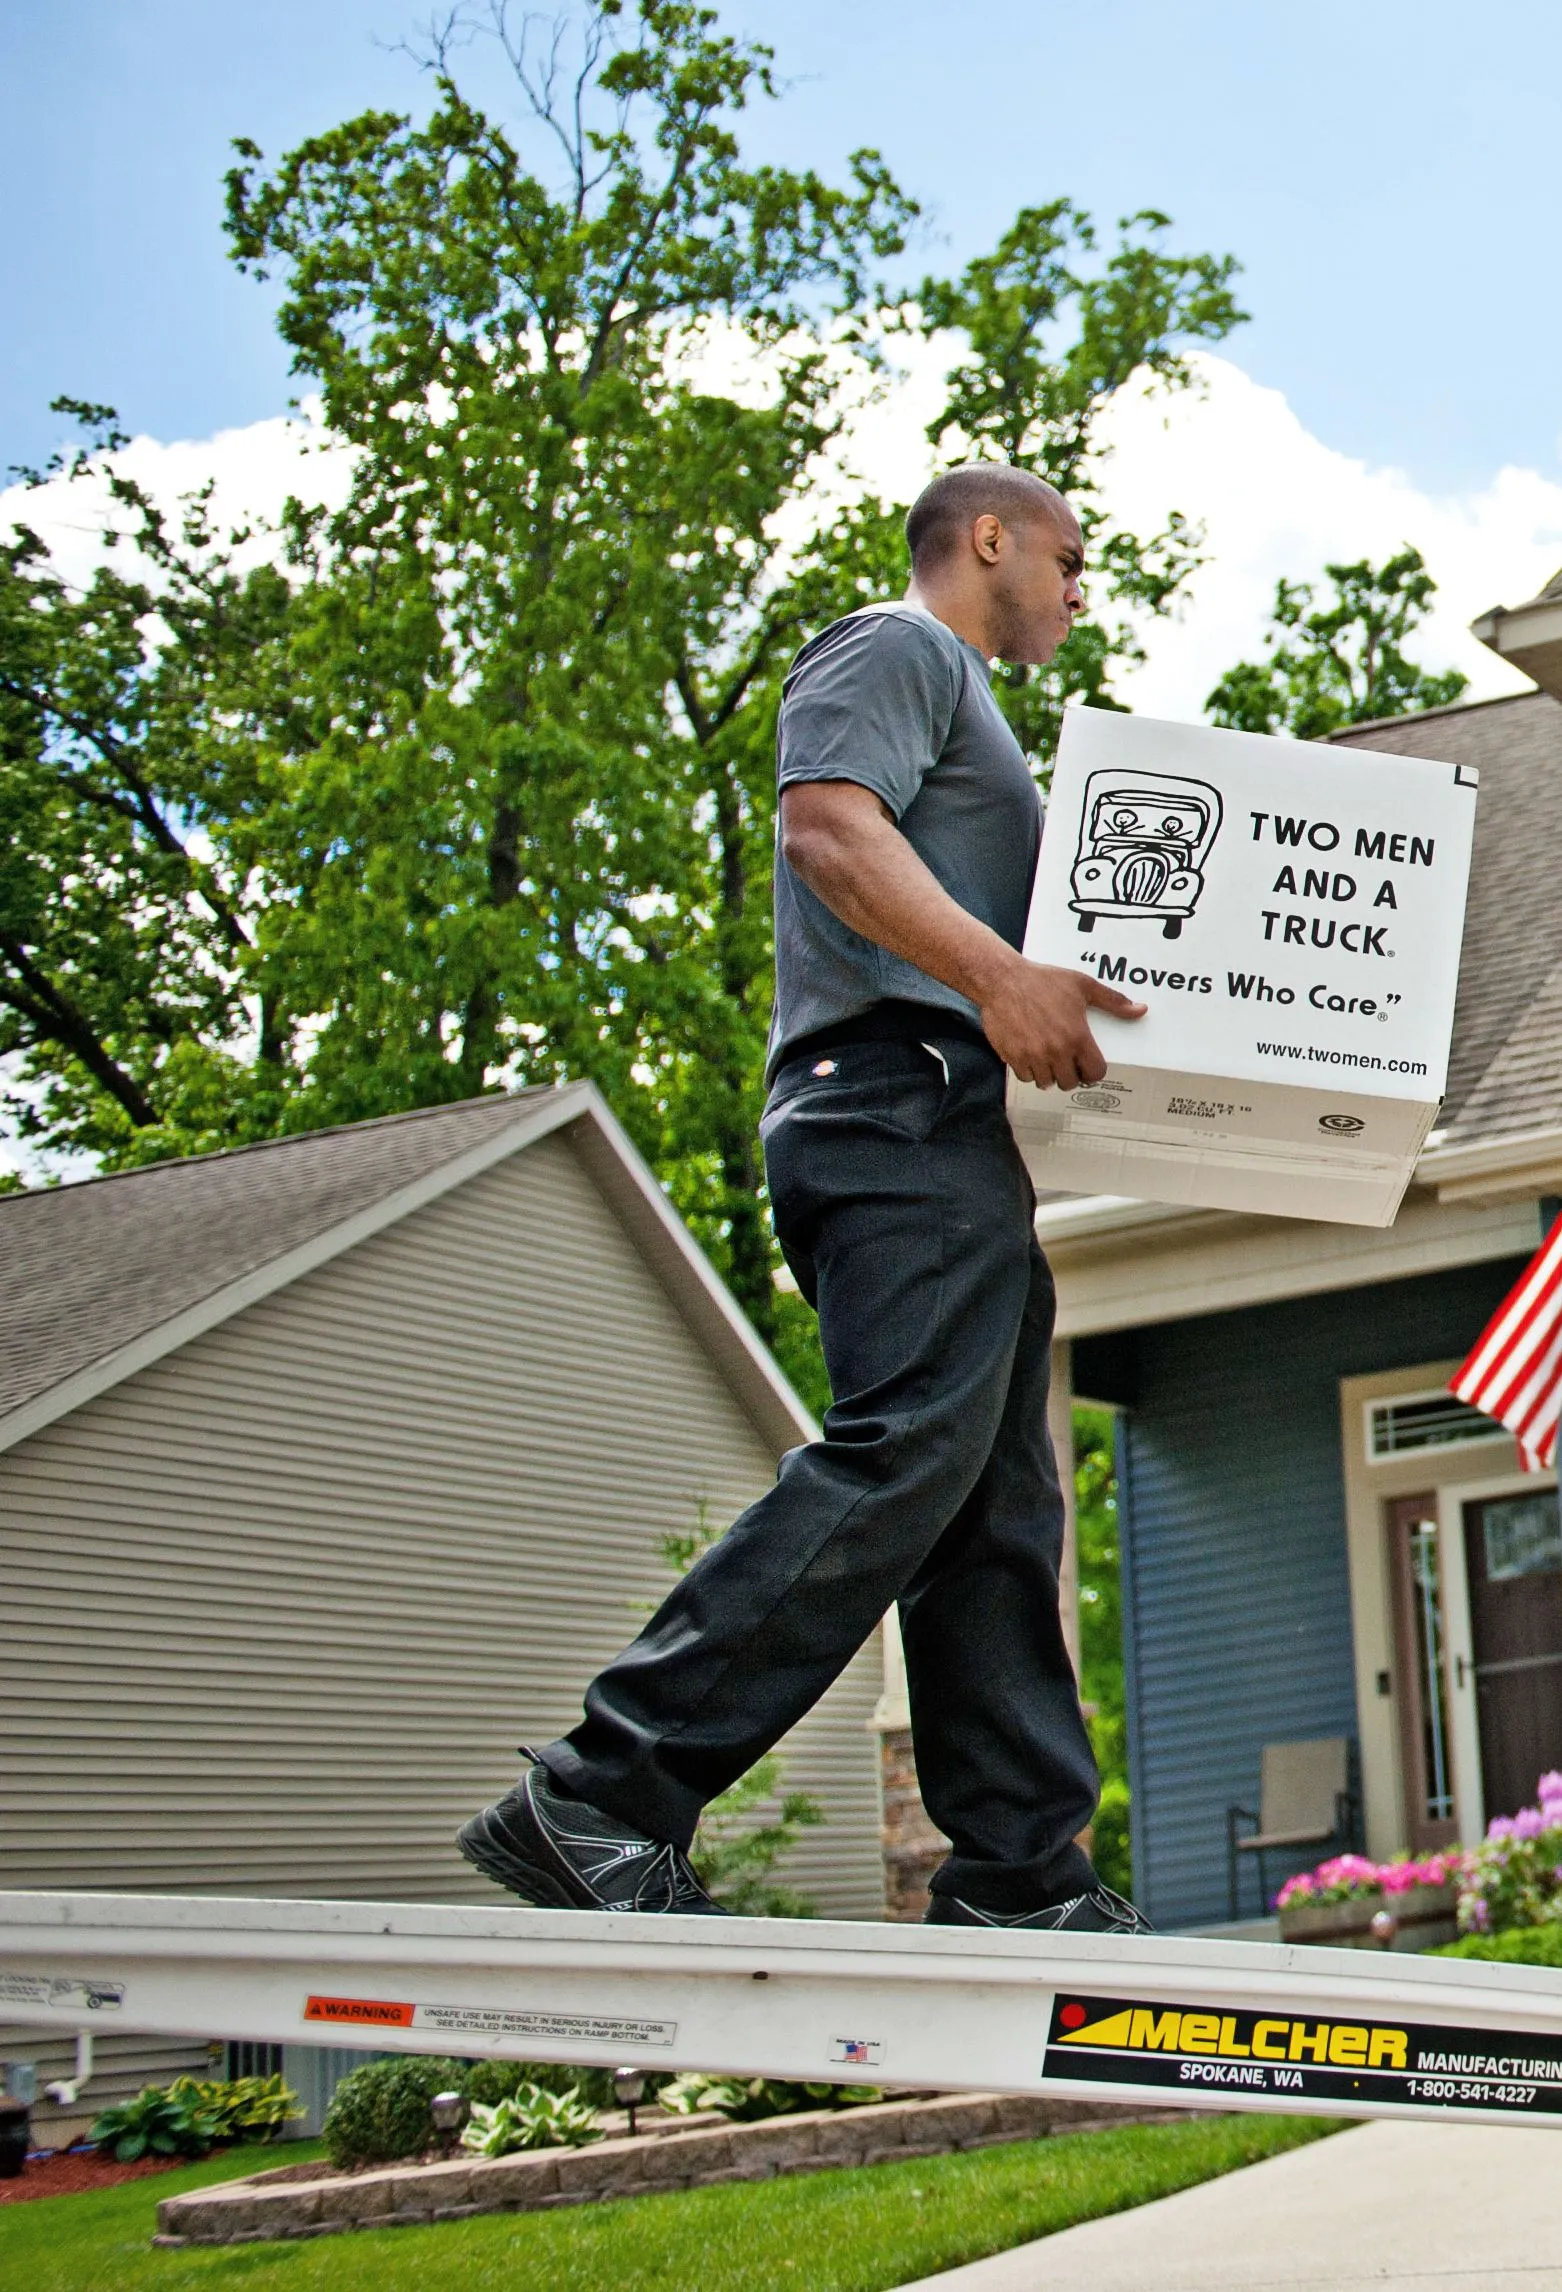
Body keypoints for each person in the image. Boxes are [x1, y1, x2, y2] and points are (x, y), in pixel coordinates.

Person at [460, 464, 1150, 1930]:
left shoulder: (975, 720)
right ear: (987, 540)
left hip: (954, 1129)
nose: (1081, 590)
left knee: (992, 1503)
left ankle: (1020, 1879)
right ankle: (600, 1790)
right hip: (887, 1099)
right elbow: (825, 829)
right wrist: (994, 978)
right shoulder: (897, 649)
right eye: (1070, 559)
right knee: (908, 1454)